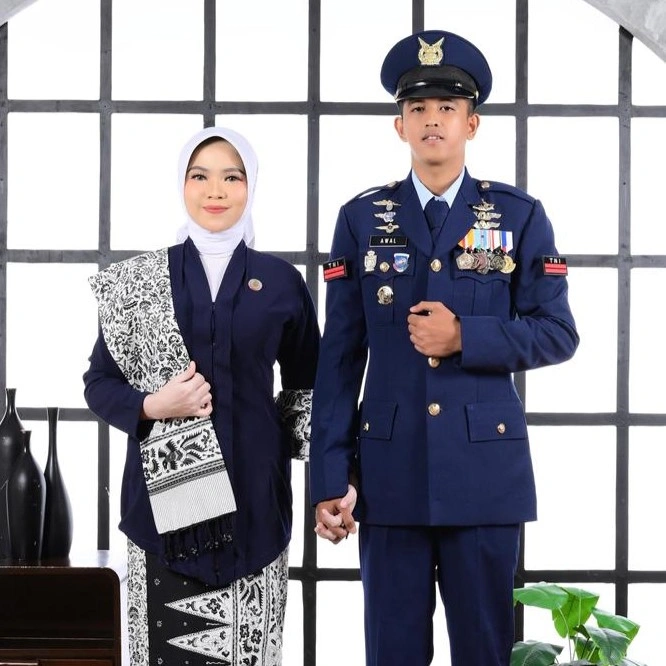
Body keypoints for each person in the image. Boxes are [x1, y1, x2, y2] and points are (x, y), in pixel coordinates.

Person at [309, 29, 579, 666]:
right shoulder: (359, 218)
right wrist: (329, 477)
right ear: (399, 125)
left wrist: (465, 336)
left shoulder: (518, 215)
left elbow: (559, 332)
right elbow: (338, 361)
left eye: (448, 107)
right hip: (389, 474)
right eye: (418, 108)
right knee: (392, 653)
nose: (433, 119)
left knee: (485, 652)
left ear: (471, 124)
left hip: (483, 475)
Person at [83, 126, 320, 666]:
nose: (215, 190)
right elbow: (99, 383)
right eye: (200, 176)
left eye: (232, 177)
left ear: (251, 185)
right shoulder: (141, 283)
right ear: (182, 184)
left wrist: (330, 482)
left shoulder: (282, 282)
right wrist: (153, 407)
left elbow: (309, 388)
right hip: (160, 517)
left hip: (256, 511)